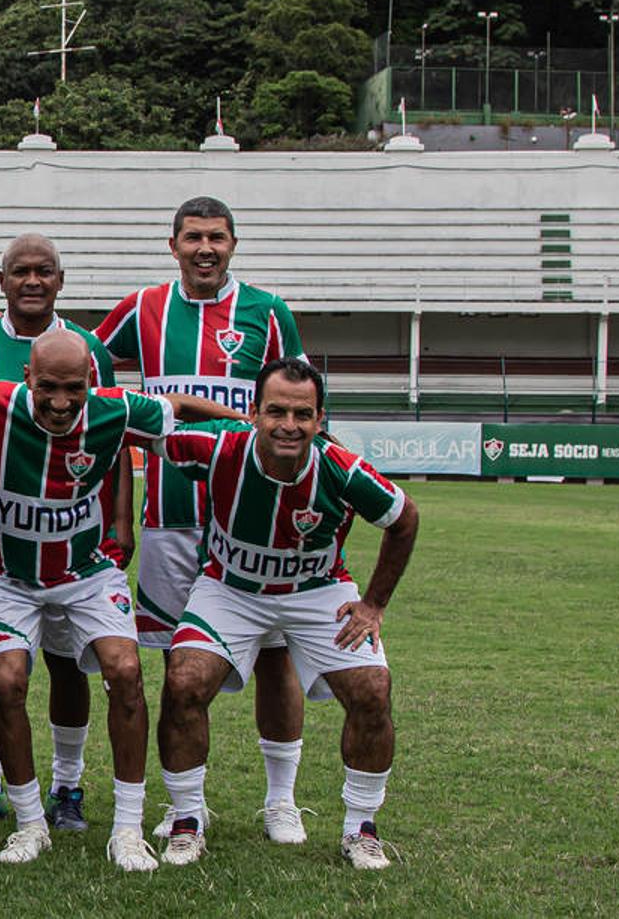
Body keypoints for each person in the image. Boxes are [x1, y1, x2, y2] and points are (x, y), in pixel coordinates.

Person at [95, 196, 313, 844]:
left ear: (234, 243)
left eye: (217, 237)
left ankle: (281, 801)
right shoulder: (143, 308)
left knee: (276, 659)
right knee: (173, 664)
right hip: (170, 514)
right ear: (173, 245)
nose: (205, 249)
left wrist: (197, 408)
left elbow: (294, 409)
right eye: (193, 237)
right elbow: (82, 366)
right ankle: (183, 804)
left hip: (256, 520)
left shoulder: (268, 313)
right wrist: (2, 328)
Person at [151, 358, 418, 870]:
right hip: (231, 590)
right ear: (253, 412)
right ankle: (187, 819)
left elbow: (404, 518)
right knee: (183, 681)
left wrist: (374, 604)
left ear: (320, 420)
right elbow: (143, 427)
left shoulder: (341, 468)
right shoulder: (220, 447)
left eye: (302, 414)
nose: (288, 426)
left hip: (318, 593)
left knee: (372, 690)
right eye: (276, 411)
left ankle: (360, 827)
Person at [0, 329, 178, 871]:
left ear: (93, 381)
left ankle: (127, 829)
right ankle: (29, 823)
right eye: (48, 387)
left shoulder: (116, 410)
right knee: (5, 681)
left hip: (87, 572)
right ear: (27, 378)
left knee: (125, 671)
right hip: (8, 573)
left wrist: (250, 424)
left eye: (75, 388)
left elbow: (177, 408)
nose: (62, 402)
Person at [0, 233, 121, 833]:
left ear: (60, 280)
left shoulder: (88, 348)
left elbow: (111, 439)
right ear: (2, 281)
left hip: (71, 546)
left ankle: (68, 787)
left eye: (44, 271)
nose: (33, 282)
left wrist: (118, 527)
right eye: (21, 272)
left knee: (68, 666)